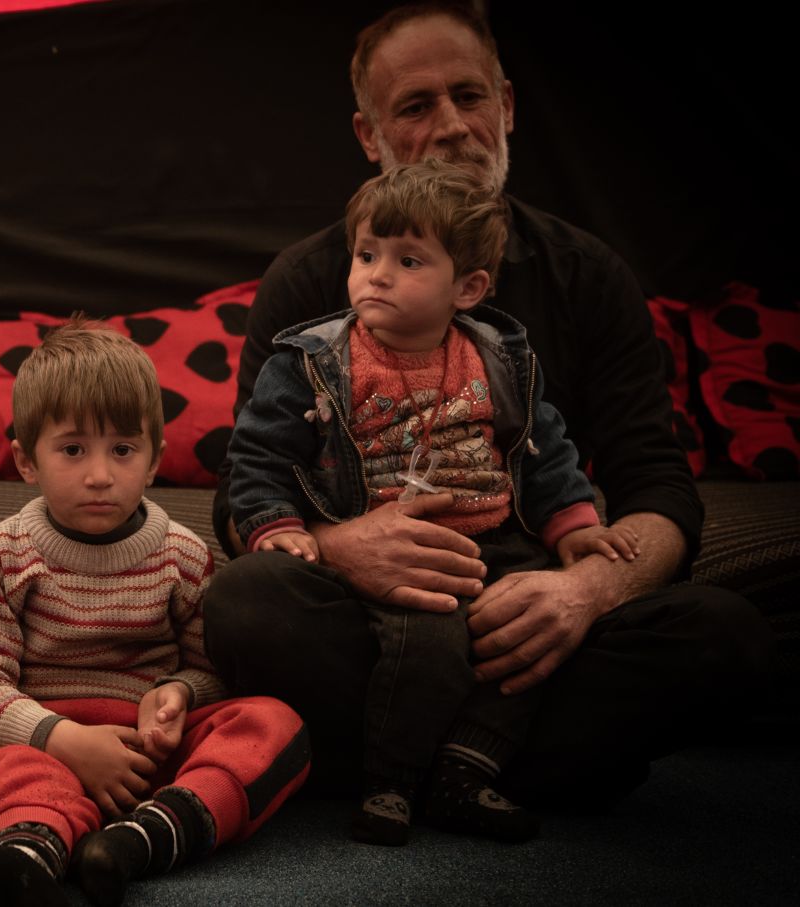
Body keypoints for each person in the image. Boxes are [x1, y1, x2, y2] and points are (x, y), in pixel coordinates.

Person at [206, 2, 774, 809]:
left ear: (506, 106)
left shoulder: (587, 274)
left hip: (522, 596)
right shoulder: (310, 283)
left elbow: (657, 485)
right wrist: (338, 548)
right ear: (370, 136)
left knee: (726, 635)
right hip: (373, 613)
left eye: (469, 96)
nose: (451, 126)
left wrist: (582, 592)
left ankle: (394, 767)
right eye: (415, 106)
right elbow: (244, 491)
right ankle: (490, 766)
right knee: (246, 602)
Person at [229, 160, 641, 845]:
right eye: (366, 255)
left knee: (535, 635)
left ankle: (464, 767)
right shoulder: (312, 362)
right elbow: (257, 455)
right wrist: (279, 526)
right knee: (431, 643)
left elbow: (544, 446)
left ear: (468, 288)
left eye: (409, 260)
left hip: (499, 540)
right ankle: (390, 782)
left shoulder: (502, 358)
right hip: (397, 553)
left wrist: (573, 527)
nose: (377, 275)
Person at [0, 320, 310, 907]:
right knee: (11, 768)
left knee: (274, 722)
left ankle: (141, 841)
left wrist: (179, 694)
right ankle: (23, 865)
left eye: (123, 450)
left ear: (154, 461)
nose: (100, 476)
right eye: (72, 449)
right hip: (50, 744)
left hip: (153, 756)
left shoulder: (184, 555)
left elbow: (212, 670)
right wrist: (64, 741)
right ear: (26, 461)